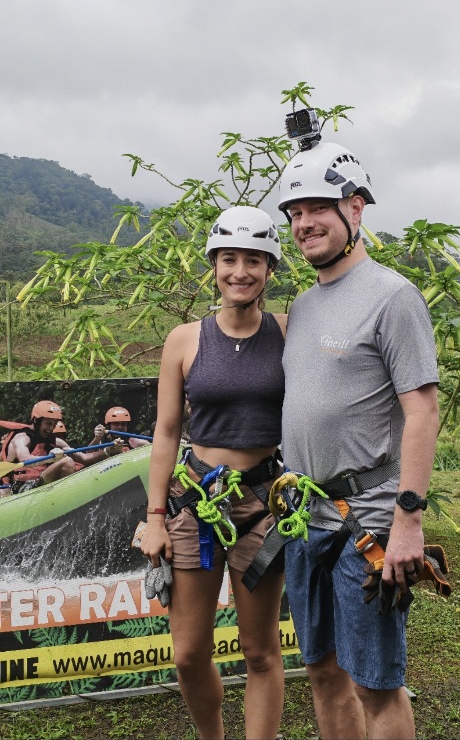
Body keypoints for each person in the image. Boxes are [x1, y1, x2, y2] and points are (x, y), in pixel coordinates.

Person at [277, 139, 440, 740]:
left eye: (317, 207)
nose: (304, 223)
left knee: (375, 683)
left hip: (366, 521)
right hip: (305, 519)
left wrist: (409, 522)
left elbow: (422, 411)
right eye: (294, 213)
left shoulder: (392, 296)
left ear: (356, 208)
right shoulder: (304, 304)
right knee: (321, 670)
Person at [140, 206, 287, 740]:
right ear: (214, 265)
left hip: (262, 505)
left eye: (254, 260)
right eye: (229, 259)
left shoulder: (288, 332)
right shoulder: (185, 339)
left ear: (270, 269)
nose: (240, 272)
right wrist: (155, 516)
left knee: (260, 651)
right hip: (195, 501)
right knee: (188, 653)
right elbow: (166, 432)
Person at [2, 400, 123, 493]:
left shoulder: (56, 441)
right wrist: (50, 458)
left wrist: (109, 451)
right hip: (21, 489)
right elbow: (24, 458)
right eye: (48, 423)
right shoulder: (22, 437)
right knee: (67, 462)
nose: (51, 428)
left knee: (68, 460)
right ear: (36, 421)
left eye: (54, 424)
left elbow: (84, 458)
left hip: (41, 485)